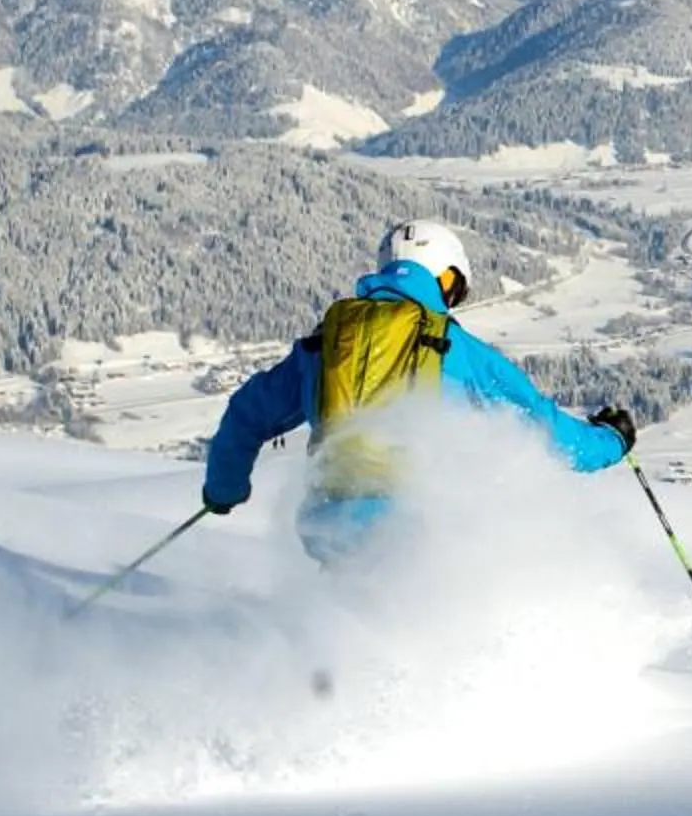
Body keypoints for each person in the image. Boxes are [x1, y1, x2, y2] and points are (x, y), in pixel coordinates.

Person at [200, 220, 638, 564]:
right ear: (446, 280)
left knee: (344, 634)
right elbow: (547, 433)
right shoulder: (459, 350)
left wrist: (224, 489)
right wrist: (611, 441)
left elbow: (246, 414)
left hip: (330, 528)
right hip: (418, 536)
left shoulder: (326, 345)